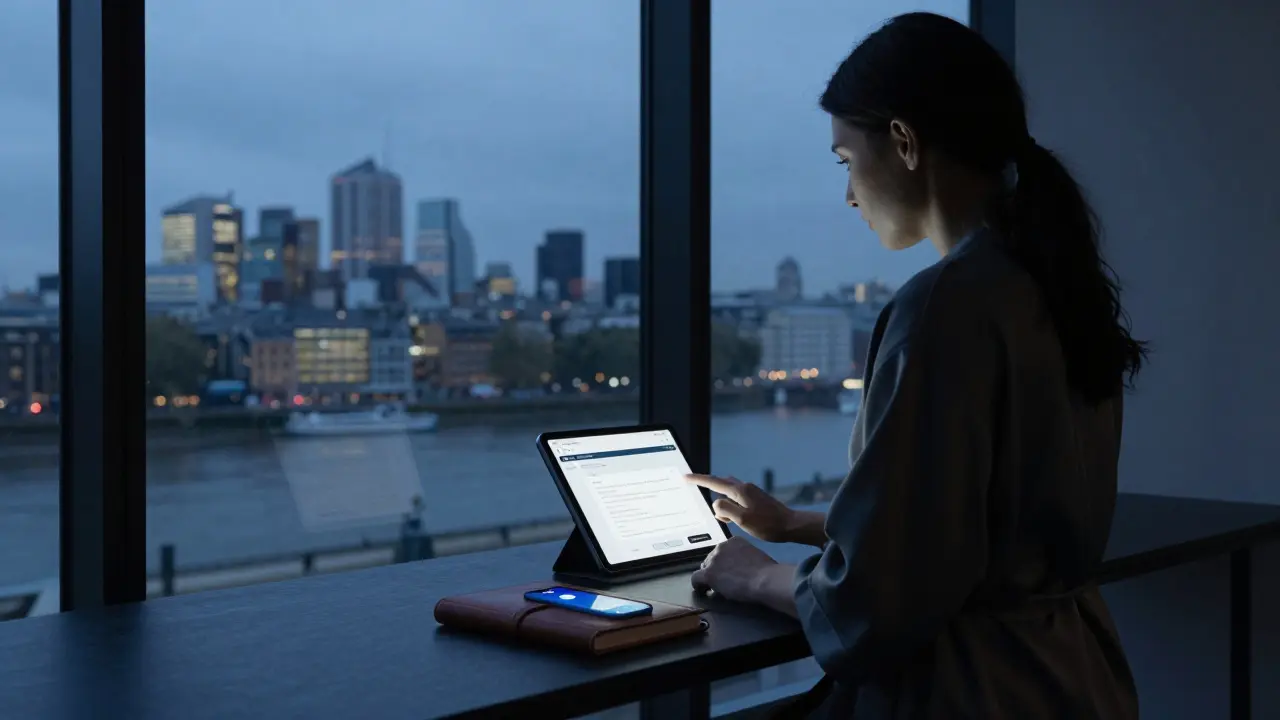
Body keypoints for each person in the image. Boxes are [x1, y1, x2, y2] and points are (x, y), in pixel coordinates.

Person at [686, 12, 1146, 719]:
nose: (847, 196)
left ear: (902, 142)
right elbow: (982, 528)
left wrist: (758, 577)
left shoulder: (943, 306)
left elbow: (876, 602)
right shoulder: (1049, 283)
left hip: (968, 690)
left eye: (846, 162)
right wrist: (805, 524)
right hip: (1074, 673)